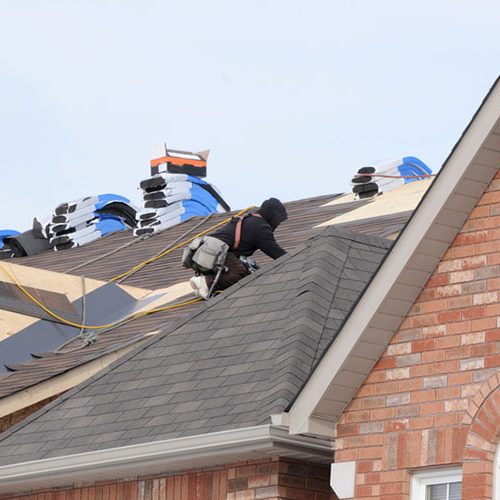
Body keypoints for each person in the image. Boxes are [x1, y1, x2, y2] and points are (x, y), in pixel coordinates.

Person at [189, 198, 288, 298]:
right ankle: (205, 282)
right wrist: (296, 258)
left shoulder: (249, 220)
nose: (277, 224)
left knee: (249, 274)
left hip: (204, 251)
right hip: (215, 252)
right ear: (271, 215)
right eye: (277, 220)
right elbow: (277, 254)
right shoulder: (260, 227)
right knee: (241, 272)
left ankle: (204, 287)